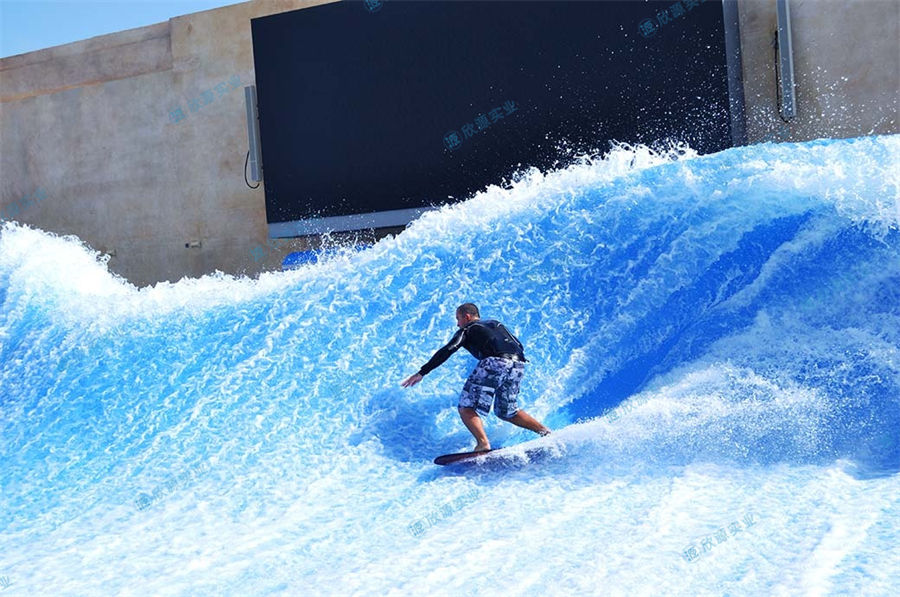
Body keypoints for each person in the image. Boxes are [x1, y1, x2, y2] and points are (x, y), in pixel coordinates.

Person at [402, 303, 550, 452]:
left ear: (466, 317)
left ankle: (483, 443)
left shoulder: (467, 328)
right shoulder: (496, 323)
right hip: (518, 364)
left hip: (495, 362)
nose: (457, 323)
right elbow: (518, 345)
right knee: (507, 412)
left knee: (466, 407)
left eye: (458, 319)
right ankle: (545, 433)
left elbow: (449, 349)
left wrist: (422, 372)